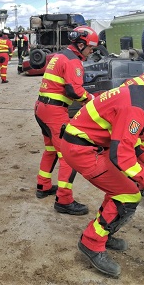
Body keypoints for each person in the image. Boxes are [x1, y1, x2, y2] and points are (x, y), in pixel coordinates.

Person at [60, 59, 144, 277]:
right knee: (129, 194)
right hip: (84, 150)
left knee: (122, 189)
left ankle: (103, 232)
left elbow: (125, 137)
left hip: (88, 144)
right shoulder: (137, 106)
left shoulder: (140, 91)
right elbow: (121, 155)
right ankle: (92, 242)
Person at [34, 26, 98, 215]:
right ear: (81, 44)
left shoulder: (59, 56)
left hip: (41, 108)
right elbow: (74, 91)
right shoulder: (73, 61)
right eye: (91, 48)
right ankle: (64, 200)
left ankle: (43, 185)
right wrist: (92, 101)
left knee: (51, 150)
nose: (91, 52)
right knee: (68, 156)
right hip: (55, 112)